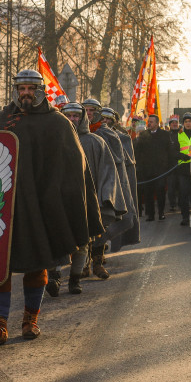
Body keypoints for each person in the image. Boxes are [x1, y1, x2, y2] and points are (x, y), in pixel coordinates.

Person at [0, 70, 94, 345]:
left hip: (42, 206)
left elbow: (73, 165)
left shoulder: (57, 123)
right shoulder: (2, 120)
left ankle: (30, 320)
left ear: (40, 91)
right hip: (6, 207)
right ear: (16, 91)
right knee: (0, 265)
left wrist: (60, 198)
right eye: (22, 89)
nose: (26, 93)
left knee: (38, 262)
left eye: (31, 88)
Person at [52, 102, 120, 295]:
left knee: (82, 241)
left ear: (82, 118)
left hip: (85, 200)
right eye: (68, 115)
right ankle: (55, 277)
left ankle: (75, 280)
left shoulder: (95, 142)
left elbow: (107, 172)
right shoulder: (52, 140)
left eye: (76, 116)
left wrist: (105, 197)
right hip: (58, 200)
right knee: (57, 239)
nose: (72, 119)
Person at [101, 107, 140, 253]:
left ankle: (105, 246)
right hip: (100, 178)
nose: (105, 121)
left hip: (115, 180)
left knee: (116, 214)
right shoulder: (94, 135)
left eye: (108, 119)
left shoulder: (123, 138)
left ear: (115, 121)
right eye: (102, 118)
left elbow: (127, 165)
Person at [135, 114, 172, 221]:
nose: (149, 124)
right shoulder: (144, 135)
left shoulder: (165, 135)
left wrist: (168, 166)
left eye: (151, 122)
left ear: (157, 123)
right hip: (147, 170)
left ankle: (161, 213)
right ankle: (150, 214)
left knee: (160, 191)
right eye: (148, 122)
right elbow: (138, 152)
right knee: (148, 193)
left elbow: (169, 151)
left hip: (160, 170)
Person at [172, 113, 191, 226]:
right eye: (186, 122)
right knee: (183, 194)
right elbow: (173, 151)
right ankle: (185, 217)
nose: (188, 123)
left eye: (190, 121)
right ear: (183, 123)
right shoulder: (179, 135)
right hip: (183, 168)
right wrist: (182, 156)